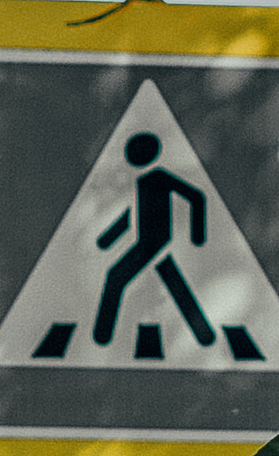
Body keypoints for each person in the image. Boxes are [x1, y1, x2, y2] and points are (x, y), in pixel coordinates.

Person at [92, 133, 217, 350]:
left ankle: (102, 335)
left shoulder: (160, 177)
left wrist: (198, 235)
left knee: (116, 278)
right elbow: (130, 217)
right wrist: (107, 240)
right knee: (174, 284)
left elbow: (196, 197)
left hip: (157, 241)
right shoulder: (140, 181)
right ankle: (204, 334)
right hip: (149, 241)